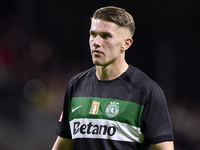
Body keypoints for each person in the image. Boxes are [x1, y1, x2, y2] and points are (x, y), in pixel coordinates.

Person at [52, 6, 174, 150]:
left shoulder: (147, 92)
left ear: (126, 43)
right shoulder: (76, 85)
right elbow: (64, 144)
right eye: (93, 34)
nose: (96, 42)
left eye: (105, 36)